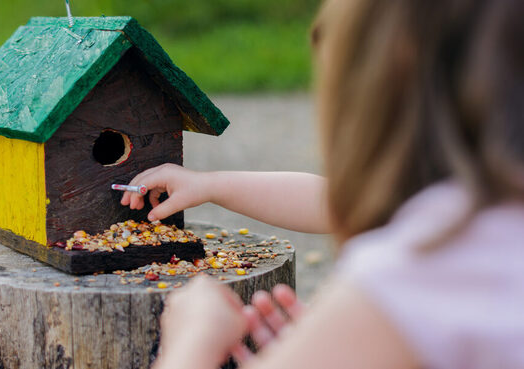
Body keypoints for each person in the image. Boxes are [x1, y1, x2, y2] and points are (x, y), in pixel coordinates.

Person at [121, 0, 524, 368]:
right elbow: (334, 200)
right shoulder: (490, 222)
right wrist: (208, 185)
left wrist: (192, 341)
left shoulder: (420, 264)